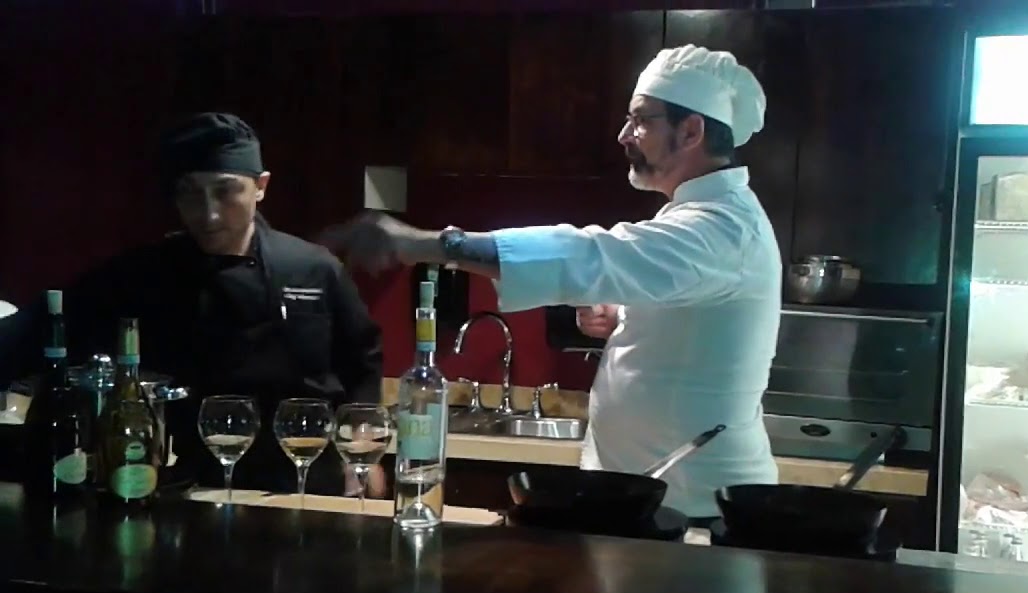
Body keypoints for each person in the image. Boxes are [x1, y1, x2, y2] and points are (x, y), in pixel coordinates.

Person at [320, 46, 780, 520]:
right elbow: (676, 305)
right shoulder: (694, 217)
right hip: (648, 496)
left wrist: (426, 245)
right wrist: (620, 313)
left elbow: (586, 255)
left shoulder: (723, 229)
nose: (624, 135)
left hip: (699, 506)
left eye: (641, 120)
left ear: (691, 131)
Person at [0, 112, 384, 497]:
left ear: (260, 187)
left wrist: (363, 444)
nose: (209, 213)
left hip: (308, 478)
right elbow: (36, 329)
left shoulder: (313, 269)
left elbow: (363, 360)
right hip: (190, 487)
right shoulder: (142, 275)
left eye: (225, 191)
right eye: (190, 193)